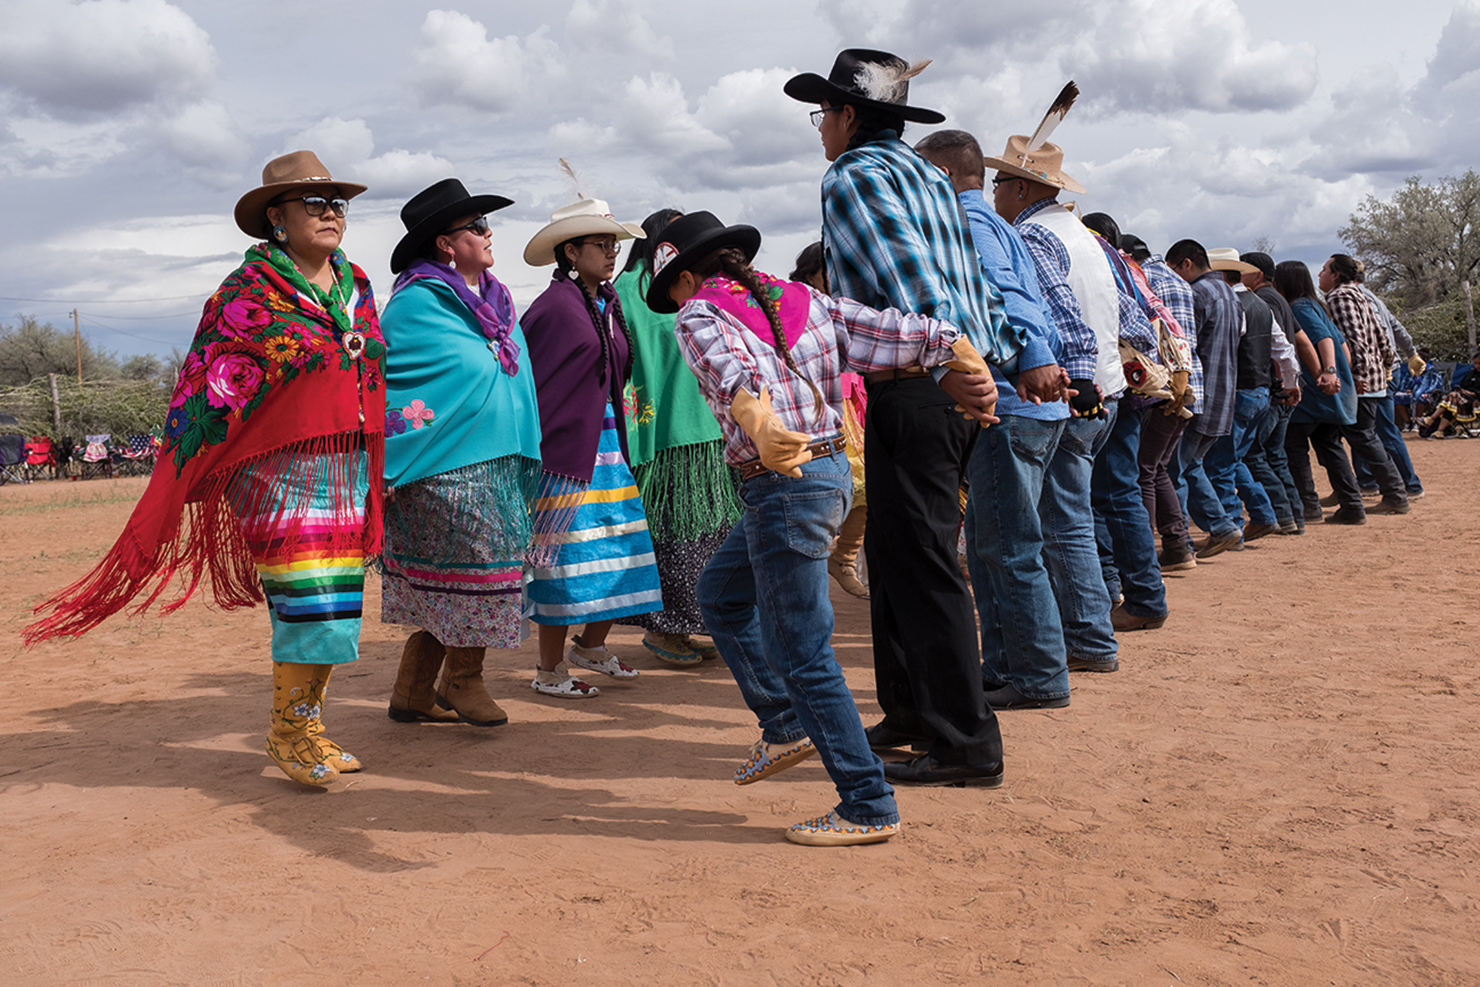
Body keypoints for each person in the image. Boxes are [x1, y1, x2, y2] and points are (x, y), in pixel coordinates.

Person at [26, 151, 384, 788]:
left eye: (338, 204)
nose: (331, 214)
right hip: (276, 473)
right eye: (315, 204)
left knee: (338, 605)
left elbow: (369, 370)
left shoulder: (356, 284)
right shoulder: (245, 294)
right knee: (308, 601)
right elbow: (210, 390)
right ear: (277, 218)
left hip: (345, 467)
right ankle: (290, 732)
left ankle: (309, 725)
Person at [648, 210, 995, 843]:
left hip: (781, 486)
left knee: (802, 650)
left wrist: (758, 421)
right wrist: (961, 356)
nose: (673, 302)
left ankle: (867, 802)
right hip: (828, 470)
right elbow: (904, 333)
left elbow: (730, 381)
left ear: (689, 276)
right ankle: (784, 724)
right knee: (720, 597)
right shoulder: (809, 299)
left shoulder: (700, 314)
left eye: (671, 287)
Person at [785, 49, 1048, 787]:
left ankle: (965, 739)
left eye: (823, 115)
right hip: (950, 379)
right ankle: (910, 713)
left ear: (847, 115)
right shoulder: (930, 176)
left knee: (924, 561)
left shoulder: (855, 175)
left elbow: (913, 281)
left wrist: (947, 366)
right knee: (901, 555)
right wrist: (978, 364)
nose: (820, 131)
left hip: (919, 380)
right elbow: (970, 282)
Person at [914, 128, 1082, 709]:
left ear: (941, 174)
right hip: (1018, 405)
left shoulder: (968, 223)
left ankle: (1036, 676)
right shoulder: (995, 223)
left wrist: (1033, 359)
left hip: (1012, 405)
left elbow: (1006, 296)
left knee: (1008, 548)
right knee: (993, 544)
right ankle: (1007, 666)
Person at [378, 178, 542, 728]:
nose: (488, 232)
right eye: (476, 226)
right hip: (439, 464)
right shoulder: (416, 303)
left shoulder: (495, 300)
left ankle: (412, 689)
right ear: (446, 244)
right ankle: (462, 680)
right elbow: (396, 384)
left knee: (462, 579)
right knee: (478, 571)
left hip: (494, 462)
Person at [520, 195, 662, 697]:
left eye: (613, 244)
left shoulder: (606, 302)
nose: (611, 253)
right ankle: (548, 670)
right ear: (570, 253)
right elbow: (531, 382)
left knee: (623, 550)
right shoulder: (553, 309)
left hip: (606, 448)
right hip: (565, 456)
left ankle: (591, 646)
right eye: (600, 245)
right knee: (565, 560)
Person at [613, 208, 740, 664]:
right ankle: (666, 630)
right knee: (674, 534)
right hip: (665, 431)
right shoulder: (631, 293)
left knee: (710, 533)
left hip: (708, 426)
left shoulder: (690, 286)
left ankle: (689, 624)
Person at [791, 241, 871, 600]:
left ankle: (844, 557)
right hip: (811, 410)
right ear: (812, 275)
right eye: (830, 270)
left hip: (850, 403)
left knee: (866, 486)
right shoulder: (792, 305)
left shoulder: (846, 305)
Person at [1122, 234, 1205, 570]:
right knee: (1157, 469)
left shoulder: (1144, 278)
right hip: (1188, 382)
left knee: (1144, 470)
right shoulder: (1181, 283)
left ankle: (1145, 554)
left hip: (1160, 385)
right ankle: (1176, 546)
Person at [1166, 239, 1244, 558]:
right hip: (1223, 394)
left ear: (1186, 264)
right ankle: (1223, 527)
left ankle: (1183, 539)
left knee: (1175, 468)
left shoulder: (1197, 294)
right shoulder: (1230, 293)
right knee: (1189, 464)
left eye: (1174, 270)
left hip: (1201, 393)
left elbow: (1187, 345)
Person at [1273, 260, 1365, 524]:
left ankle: (1308, 506)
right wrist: (1339, 375)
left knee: (1294, 448)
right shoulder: (1316, 305)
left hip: (1311, 395)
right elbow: (1342, 345)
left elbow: (1324, 339)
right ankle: (1353, 505)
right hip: (1328, 397)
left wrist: (1328, 372)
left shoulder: (1299, 308)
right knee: (1330, 447)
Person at [1318, 254, 1409, 516]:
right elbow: (1382, 335)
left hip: (1361, 382)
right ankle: (1349, 489)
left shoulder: (1339, 296)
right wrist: (1385, 367)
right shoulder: (1360, 294)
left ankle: (1394, 493)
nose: (1320, 274)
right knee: (1353, 434)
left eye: (1324, 269)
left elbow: (1354, 339)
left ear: (1336, 275)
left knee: (1362, 436)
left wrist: (1359, 376)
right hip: (1374, 378)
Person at [1239, 250, 1313, 534]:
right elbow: (1300, 341)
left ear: (1257, 274)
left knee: (1254, 454)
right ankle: (1294, 517)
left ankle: (1281, 515)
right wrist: (1306, 378)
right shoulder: (1280, 300)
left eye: (1241, 270)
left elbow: (1275, 348)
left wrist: (1283, 383)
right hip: (1286, 390)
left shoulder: (1260, 301)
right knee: (1275, 455)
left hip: (1273, 391)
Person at [1352, 263, 1425, 498]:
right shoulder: (1371, 296)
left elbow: (1383, 330)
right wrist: (1411, 353)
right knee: (1363, 427)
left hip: (1381, 373)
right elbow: (1397, 327)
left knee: (1381, 429)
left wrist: (1388, 363)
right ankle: (1367, 481)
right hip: (1386, 370)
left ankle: (1410, 484)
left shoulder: (1361, 299)